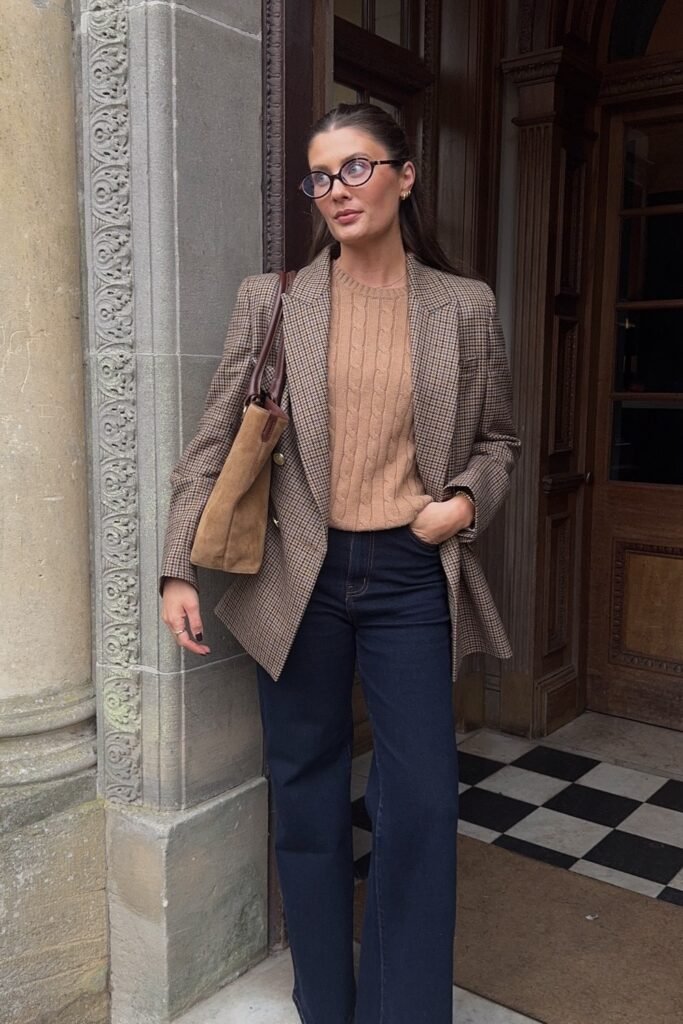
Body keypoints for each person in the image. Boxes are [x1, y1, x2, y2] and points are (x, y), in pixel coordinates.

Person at [160, 103, 521, 1024]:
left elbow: (500, 441)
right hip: (298, 576)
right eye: (320, 177)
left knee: (421, 807)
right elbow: (212, 443)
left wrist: (467, 503)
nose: (335, 192)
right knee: (307, 792)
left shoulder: (463, 306)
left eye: (355, 169)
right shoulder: (272, 299)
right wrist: (174, 568)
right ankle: (325, 1002)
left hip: (410, 574)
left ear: (404, 175)